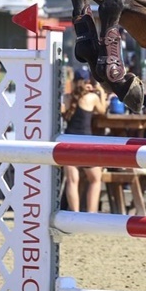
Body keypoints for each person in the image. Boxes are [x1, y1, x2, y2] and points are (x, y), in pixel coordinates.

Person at [62, 67, 108, 212]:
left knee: (72, 181)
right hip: (85, 143)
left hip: (68, 142)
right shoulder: (92, 98)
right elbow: (102, 111)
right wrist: (101, 92)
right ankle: (91, 213)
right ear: (88, 81)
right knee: (95, 179)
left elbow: (63, 111)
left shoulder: (67, 98)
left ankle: (74, 213)